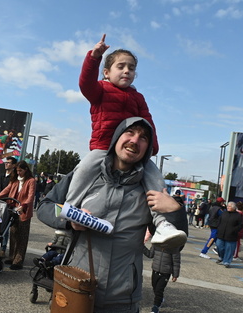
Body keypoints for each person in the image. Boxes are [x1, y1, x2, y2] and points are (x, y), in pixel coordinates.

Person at [38, 117, 186, 312]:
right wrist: (69, 222)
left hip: (123, 297)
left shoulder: (152, 192)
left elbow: (176, 245)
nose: (135, 140)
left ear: (147, 149)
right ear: (117, 137)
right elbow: (45, 207)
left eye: (143, 138)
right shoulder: (84, 176)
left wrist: (176, 210)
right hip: (77, 285)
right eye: (130, 133)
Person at [65, 34, 185, 248]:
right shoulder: (100, 90)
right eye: (120, 66)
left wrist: (153, 147)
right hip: (103, 148)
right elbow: (84, 83)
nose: (127, 71)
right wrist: (94, 57)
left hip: (133, 152)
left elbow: (148, 122)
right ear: (106, 72)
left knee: (154, 176)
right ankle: (70, 210)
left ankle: (162, 224)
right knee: (83, 170)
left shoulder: (137, 97)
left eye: (131, 68)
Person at [0, 160, 36, 270]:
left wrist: (24, 205)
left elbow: (31, 196)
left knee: (22, 236)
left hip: (23, 211)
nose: (18, 173)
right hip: (13, 210)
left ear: (26, 170)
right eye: (17, 170)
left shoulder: (31, 181)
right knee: (13, 233)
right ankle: (12, 256)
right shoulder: (14, 180)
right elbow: (7, 189)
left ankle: (18, 260)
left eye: (21, 171)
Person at [0, 156, 17, 257]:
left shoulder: (14, 178)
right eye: (6, 162)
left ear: (14, 165)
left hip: (7, 205)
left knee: (4, 227)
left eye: (9, 163)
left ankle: (3, 248)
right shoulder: (0, 175)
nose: (6, 164)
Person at [143, 243, 181, 313]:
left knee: (159, 290)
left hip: (165, 273)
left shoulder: (174, 247)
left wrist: (175, 275)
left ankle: (155, 307)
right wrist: (142, 246)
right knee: (154, 287)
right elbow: (150, 254)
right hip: (155, 270)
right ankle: (160, 299)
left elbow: (176, 262)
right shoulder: (156, 245)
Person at [215, 201, 243, 268]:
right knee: (219, 246)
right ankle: (221, 257)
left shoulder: (238, 215)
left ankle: (227, 261)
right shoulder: (224, 213)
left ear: (233, 208)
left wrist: (234, 230)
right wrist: (218, 228)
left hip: (231, 236)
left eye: (230, 206)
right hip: (221, 234)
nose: (228, 207)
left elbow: (241, 225)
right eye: (228, 206)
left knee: (229, 249)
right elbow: (219, 221)